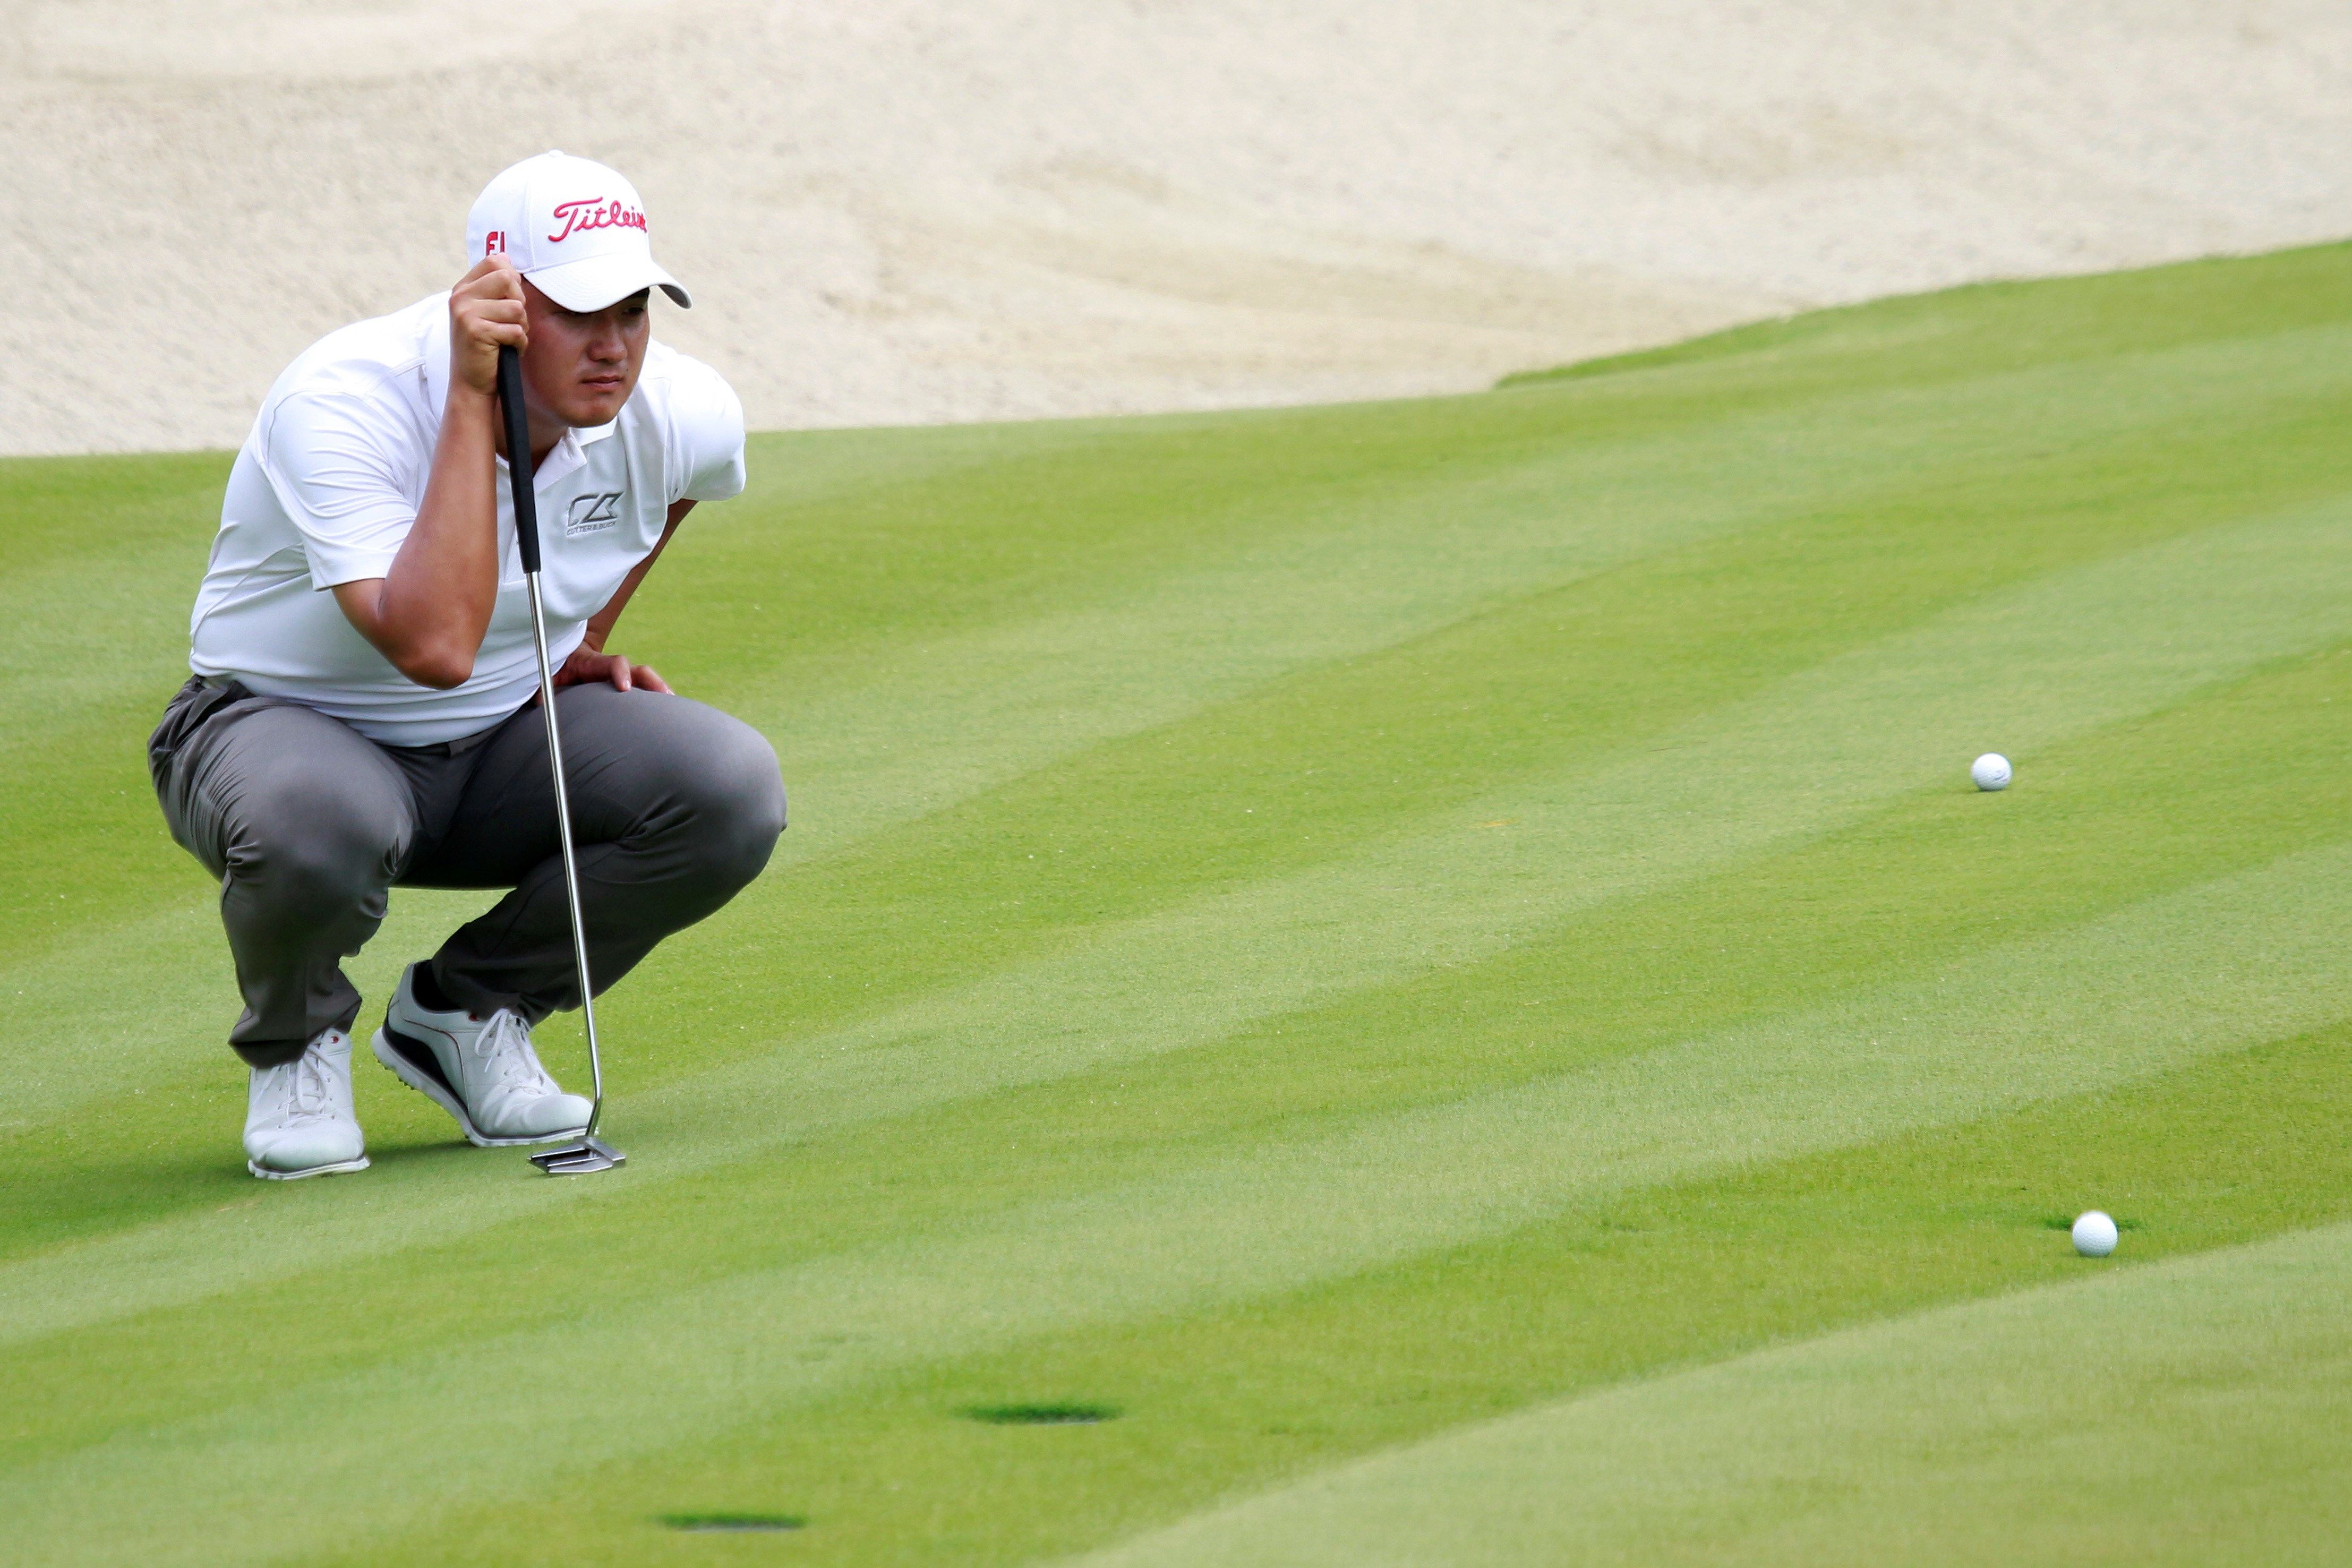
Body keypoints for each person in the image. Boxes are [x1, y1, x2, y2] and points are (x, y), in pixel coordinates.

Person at [150, 151, 786, 1180]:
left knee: (727, 787)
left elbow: (673, 492)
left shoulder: (681, 408)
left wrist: (574, 642)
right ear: (496, 299)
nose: (614, 346)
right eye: (581, 314)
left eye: (633, 310)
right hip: (275, 728)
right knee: (322, 822)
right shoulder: (343, 398)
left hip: (498, 740)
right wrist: (469, 402)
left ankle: (466, 1012)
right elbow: (434, 647)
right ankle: (296, 1043)